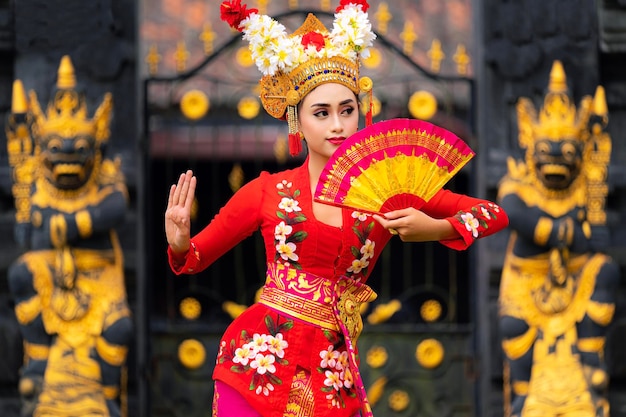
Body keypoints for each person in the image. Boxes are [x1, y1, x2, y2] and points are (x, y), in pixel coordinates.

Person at [165, 1, 509, 416]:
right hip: (256, 364)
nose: (337, 126)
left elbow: (493, 213)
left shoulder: (388, 186)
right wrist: (181, 241)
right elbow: (196, 258)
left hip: (333, 372)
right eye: (321, 113)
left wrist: (434, 228)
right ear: (298, 121)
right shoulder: (267, 191)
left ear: (361, 112)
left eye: (347, 111)